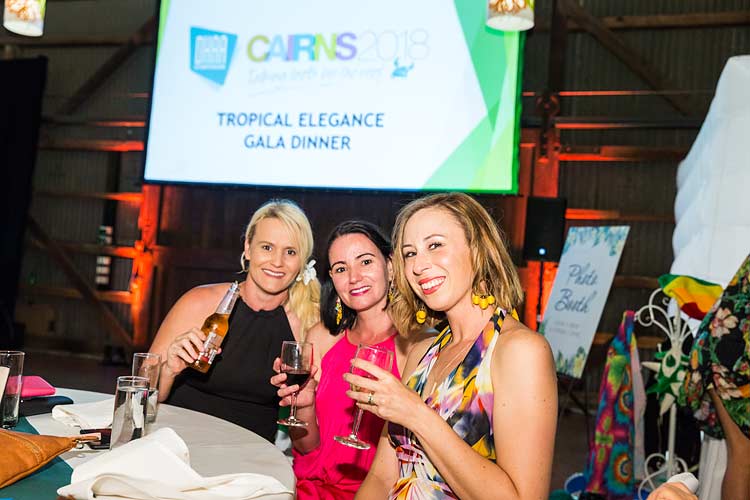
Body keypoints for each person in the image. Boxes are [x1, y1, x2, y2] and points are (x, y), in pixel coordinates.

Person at [351, 192, 558, 499]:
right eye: (410, 253)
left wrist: (417, 415)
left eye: (435, 245)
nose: (418, 265)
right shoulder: (421, 351)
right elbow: (382, 477)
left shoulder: (520, 352)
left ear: (478, 249)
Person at [149, 199, 320, 443]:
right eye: (267, 247)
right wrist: (168, 371)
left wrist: (303, 405)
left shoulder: (308, 326)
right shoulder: (199, 302)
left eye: (290, 252)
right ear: (248, 248)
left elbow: (306, 446)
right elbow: (138, 398)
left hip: (249, 456)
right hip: (177, 443)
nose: (277, 262)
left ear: (302, 260)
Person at [271, 220, 413, 499]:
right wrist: (304, 405)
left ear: (391, 265)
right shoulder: (322, 337)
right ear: (333, 280)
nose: (354, 277)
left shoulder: (415, 346)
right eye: (340, 268)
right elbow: (306, 448)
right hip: (308, 490)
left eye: (365, 262)